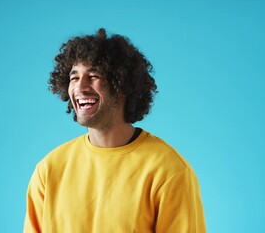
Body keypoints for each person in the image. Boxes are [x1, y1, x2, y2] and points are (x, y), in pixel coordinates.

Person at [23, 28, 206, 232]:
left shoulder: (169, 171)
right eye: (74, 77)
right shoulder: (49, 170)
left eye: (93, 75)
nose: (80, 87)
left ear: (122, 85)